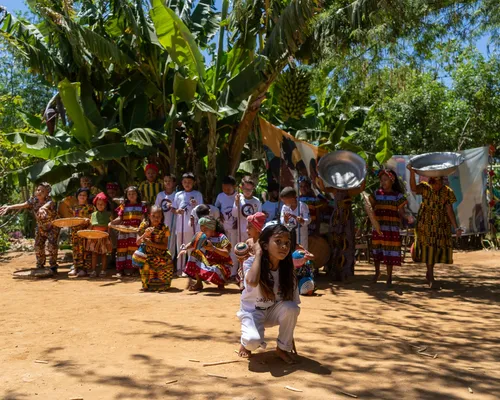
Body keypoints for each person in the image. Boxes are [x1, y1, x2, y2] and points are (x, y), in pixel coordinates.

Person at [237, 223, 300, 365]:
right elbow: (252, 281)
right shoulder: (251, 262)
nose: (284, 246)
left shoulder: (288, 270)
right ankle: (246, 342)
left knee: (292, 308)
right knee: (252, 342)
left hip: (273, 311)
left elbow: (292, 305)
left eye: (287, 243)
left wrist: (288, 338)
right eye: (278, 241)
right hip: (253, 312)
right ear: (265, 245)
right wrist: (258, 254)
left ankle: (282, 349)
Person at [407, 166, 463, 288]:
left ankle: (430, 272)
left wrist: (456, 227)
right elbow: (413, 188)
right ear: (431, 181)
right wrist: (412, 172)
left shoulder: (447, 191)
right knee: (429, 248)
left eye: (439, 182)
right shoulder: (425, 188)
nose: (437, 185)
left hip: (440, 224)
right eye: (435, 182)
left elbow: (449, 210)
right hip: (425, 224)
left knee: (436, 249)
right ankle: (431, 277)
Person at [0, 183, 60, 273]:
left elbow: (47, 205)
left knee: (51, 246)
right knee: (38, 246)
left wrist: (42, 208)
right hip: (40, 228)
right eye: (38, 190)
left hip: (52, 228)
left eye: (42, 191)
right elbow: (23, 205)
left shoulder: (51, 200)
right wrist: (9, 207)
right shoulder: (33, 200)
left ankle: (53, 266)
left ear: (47, 193)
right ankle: (40, 264)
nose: (39, 192)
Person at [370, 170, 409, 286]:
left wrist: (407, 217)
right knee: (377, 250)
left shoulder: (398, 196)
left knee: (390, 251)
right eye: (381, 180)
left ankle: (389, 276)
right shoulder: (376, 194)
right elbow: (369, 208)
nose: (383, 182)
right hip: (378, 227)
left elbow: (402, 212)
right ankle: (377, 273)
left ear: (392, 181)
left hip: (391, 228)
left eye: (385, 179)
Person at [327, 181, 365, 280]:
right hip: (336, 219)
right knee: (335, 243)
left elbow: (361, 188)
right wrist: (319, 173)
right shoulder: (334, 189)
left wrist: (364, 174)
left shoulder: (350, 191)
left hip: (347, 220)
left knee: (347, 245)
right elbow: (322, 187)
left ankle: (346, 273)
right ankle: (334, 272)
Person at [182, 217, 232, 291]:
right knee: (194, 253)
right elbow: (193, 244)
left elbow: (227, 254)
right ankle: (199, 283)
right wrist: (184, 249)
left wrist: (213, 248)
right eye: (202, 230)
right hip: (209, 263)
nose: (203, 232)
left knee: (215, 269)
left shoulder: (221, 237)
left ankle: (221, 282)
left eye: (205, 230)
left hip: (222, 266)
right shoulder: (204, 237)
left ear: (212, 228)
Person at [110, 186, 147, 278]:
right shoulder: (124, 206)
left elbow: (143, 219)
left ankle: (135, 270)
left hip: (136, 231)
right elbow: (120, 218)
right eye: (129, 194)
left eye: (133, 193)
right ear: (126, 195)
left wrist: (141, 228)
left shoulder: (141, 206)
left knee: (134, 250)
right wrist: (111, 222)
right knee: (121, 250)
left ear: (137, 195)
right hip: (124, 231)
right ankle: (120, 270)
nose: (131, 195)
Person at [136, 206, 174, 291]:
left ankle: (165, 285)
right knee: (141, 258)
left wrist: (151, 243)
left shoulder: (165, 228)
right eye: (153, 216)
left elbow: (164, 246)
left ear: (162, 217)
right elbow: (138, 242)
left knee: (168, 259)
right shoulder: (143, 225)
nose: (156, 219)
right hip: (147, 253)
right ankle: (145, 284)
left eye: (158, 217)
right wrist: (145, 235)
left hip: (160, 253)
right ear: (149, 215)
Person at [173, 172, 204, 277]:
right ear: (182, 183)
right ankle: (180, 268)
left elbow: (201, 209)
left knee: (193, 247)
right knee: (181, 246)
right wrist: (177, 211)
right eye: (185, 182)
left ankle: (192, 268)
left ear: (193, 183)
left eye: (189, 182)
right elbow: (173, 208)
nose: (187, 184)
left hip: (193, 226)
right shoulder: (178, 194)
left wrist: (195, 207)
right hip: (181, 225)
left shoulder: (197, 194)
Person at [69, 188, 95, 277]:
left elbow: (93, 219)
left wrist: (88, 225)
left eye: (84, 195)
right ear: (77, 196)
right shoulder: (73, 208)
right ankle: (76, 268)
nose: (82, 197)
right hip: (75, 232)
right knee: (76, 250)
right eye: (80, 195)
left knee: (86, 250)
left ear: (87, 197)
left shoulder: (91, 207)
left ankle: (85, 269)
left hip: (86, 232)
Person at [86, 192, 113, 277]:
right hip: (94, 237)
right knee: (94, 254)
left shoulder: (109, 214)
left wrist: (108, 234)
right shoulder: (93, 215)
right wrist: (88, 235)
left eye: (102, 204)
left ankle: (103, 271)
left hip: (104, 237)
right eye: (98, 204)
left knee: (104, 254)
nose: (100, 205)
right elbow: (91, 225)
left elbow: (110, 225)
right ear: (95, 204)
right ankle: (93, 270)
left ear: (105, 204)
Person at [215, 176, 238, 271]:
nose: (226, 190)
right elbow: (216, 207)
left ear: (234, 187)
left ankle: (233, 271)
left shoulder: (238, 196)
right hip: (224, 226)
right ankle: (226, 269)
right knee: (225, 247)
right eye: (224, 188)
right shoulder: (220, 196)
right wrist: (219, 213)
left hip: (235, 227)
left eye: (228, 188)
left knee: (233, 248)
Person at [232, 176, 262, 243]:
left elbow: (259, 218)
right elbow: (234, 214)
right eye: (246, 189)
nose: (248, 191)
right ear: (241, 188)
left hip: (253, 232)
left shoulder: (257, 201)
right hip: (241, 231)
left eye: (250, 189)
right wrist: (236, 204)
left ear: (253, 188)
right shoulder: (238, 198)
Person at [155, 174, 177, 256]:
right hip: (163, 222)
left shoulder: (177, 195)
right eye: (165, 181)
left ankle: (170, 261)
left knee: (172, 242)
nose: (167, 183)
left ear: (174, 183)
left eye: (169, 181)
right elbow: (157, 208)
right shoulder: (160, 195)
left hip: (173, 222)